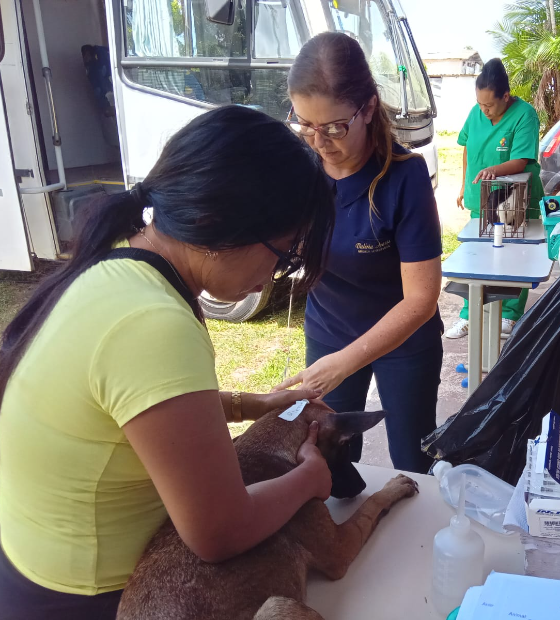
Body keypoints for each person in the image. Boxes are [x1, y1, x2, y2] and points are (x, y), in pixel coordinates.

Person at [0, 106, 335, 620]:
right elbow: (218, 534)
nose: (274, 275)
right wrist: (311, 479)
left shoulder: (119, 266)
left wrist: (256, 403)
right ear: (228, 226)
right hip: (89, 599)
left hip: (30, 570)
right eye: (283, 252)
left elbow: (137, 410)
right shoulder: (154, 324)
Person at [274, 33, 443, 474]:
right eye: (305, 124)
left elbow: (421, 300)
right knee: (329, 458)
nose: (319, 141)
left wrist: (345, 363)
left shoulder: (404, 177)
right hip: (329, 330)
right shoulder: (300, 169)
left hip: (403, 339)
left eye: (333, 127)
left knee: (411, 461)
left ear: (368, 108)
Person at [446, 58, 545, 340]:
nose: (484, 109)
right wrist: (465, 186)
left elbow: (522, 159)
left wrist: (492, 170)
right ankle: (469, 315)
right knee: (477, 257)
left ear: (506, 96)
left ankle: (509, 315)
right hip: (482, 197)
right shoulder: (476, 113)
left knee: (514, 255)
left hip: (515, 199)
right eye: (480, 103)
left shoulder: (525, 114)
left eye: (489, 104)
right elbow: (467, 147)